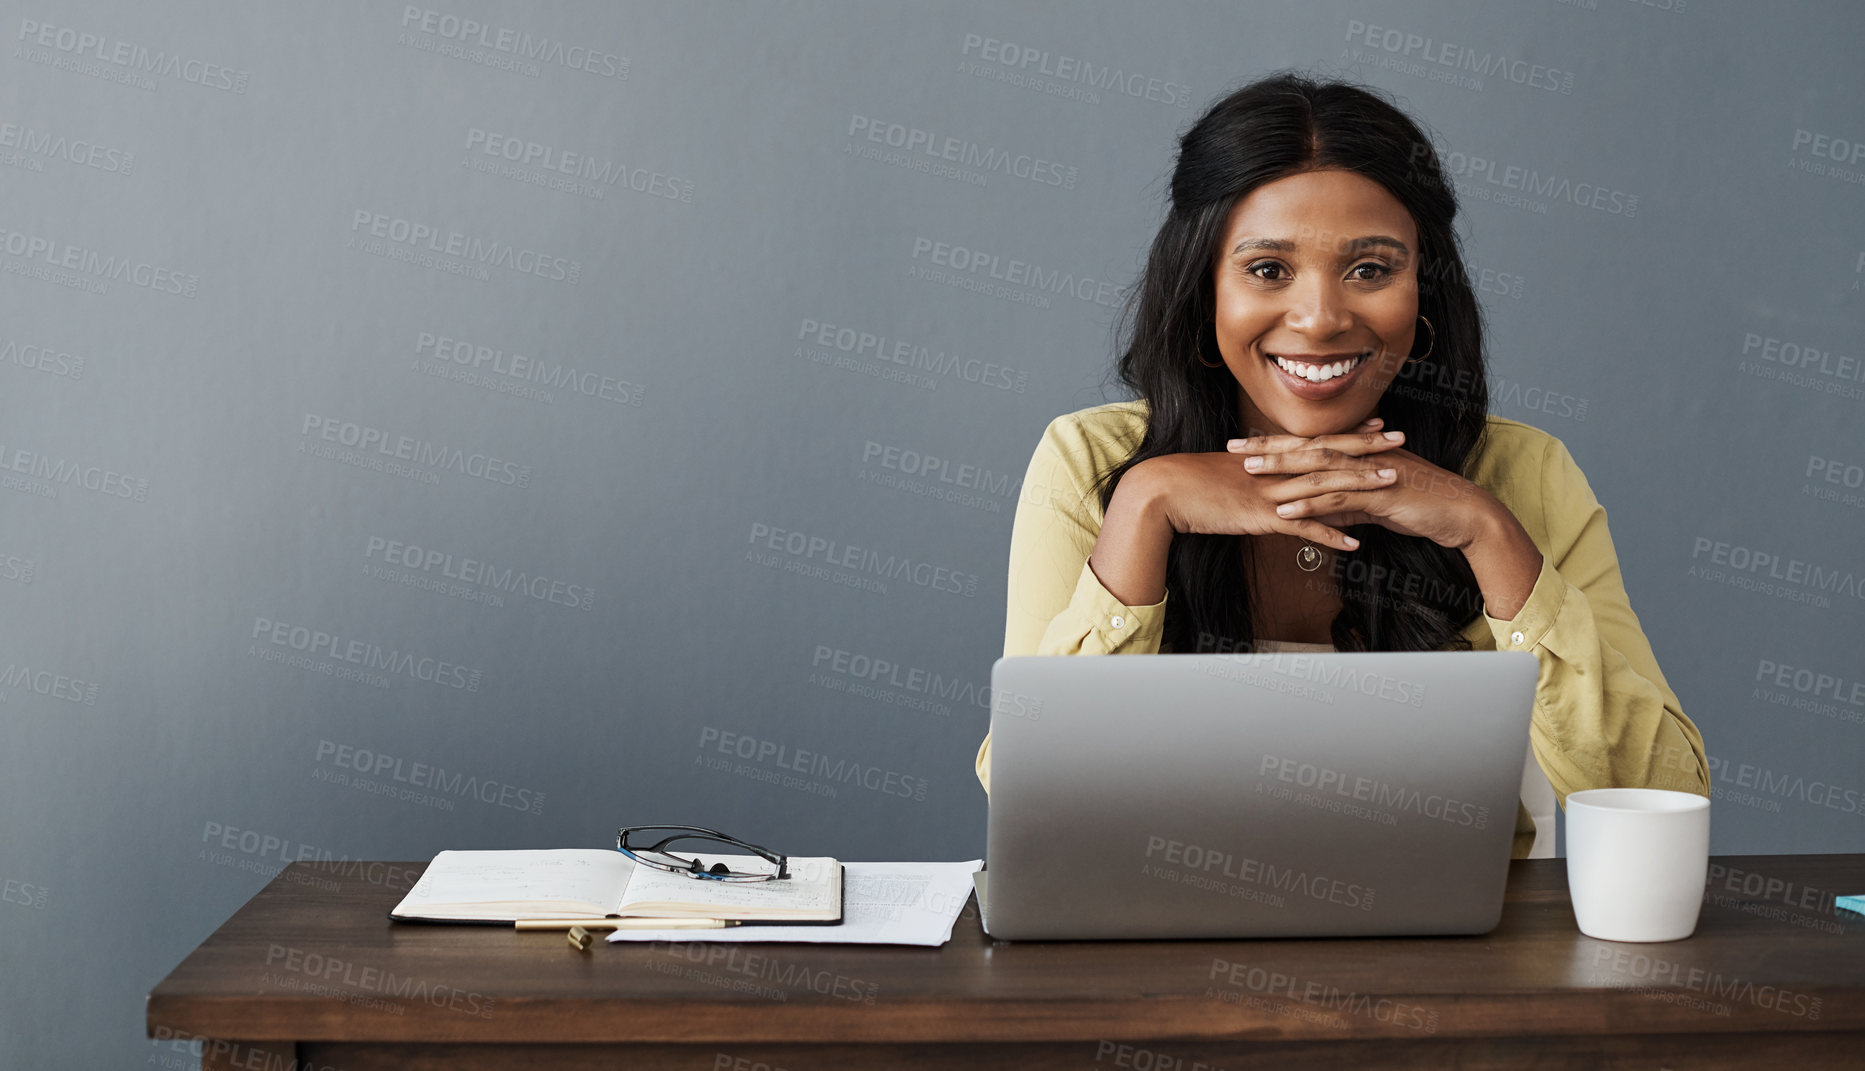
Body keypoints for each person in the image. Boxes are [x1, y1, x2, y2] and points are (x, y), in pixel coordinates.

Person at [973, 71, 1709, 858]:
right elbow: (1031, 798)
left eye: (1369, 269)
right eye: (1266, 270)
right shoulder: (1091, 462)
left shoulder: (1525, 472)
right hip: (1155, 953)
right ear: (1202, 293)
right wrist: (1143, 507)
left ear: (1423, 293)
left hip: (1455, 964)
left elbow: (1663, 793)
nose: (1321, 319)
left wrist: (1489, 534)